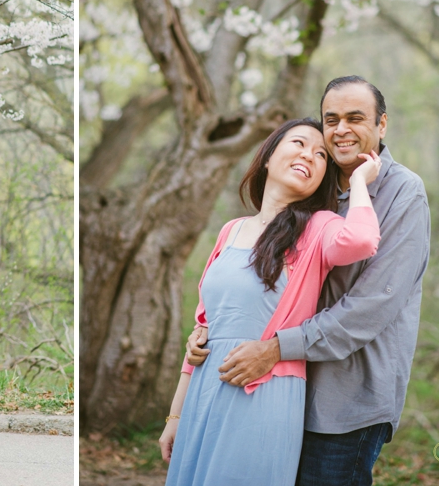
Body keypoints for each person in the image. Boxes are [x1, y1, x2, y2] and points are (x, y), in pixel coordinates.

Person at [190, 76, 431, 485]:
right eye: (331, 119)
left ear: (382, 125)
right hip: (280, 390)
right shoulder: (315, 186)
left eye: (356, 118)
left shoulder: (403, 194)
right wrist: (209, 331)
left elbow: (370, 307)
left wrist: (276, 348)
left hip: (346, 400)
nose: (341, 130)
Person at [159, 117, 382, 485]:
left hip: (262, 393)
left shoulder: (317, 228)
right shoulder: (231, 230)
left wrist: (358, 181)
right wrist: (175, 417)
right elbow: (203, 328)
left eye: (321, 155)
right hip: (203, 394)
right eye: (298, 143)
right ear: (268, 156)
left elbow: (361, 240)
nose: (309, 156)